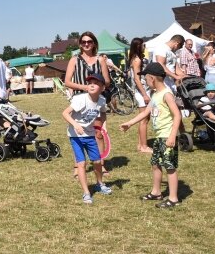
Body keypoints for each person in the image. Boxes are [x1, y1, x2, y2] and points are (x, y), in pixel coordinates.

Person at [120, 63, 183, 208]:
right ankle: (156, 192)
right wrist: (130, 123)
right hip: (159, 137)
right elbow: (145, 112)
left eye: (146, 78)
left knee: (170, 167)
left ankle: (173, 198)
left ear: (152, 78)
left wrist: (173, 136)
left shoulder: (166, 94)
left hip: (167, 136)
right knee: (156, 164)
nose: (145, 81)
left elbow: (177, 115)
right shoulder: (155, 95)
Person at [64, 32, 111, 174]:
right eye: (83, 42)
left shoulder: (101, 60)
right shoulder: (74, 59)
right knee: (78, 133)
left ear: (94, 43)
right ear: (80, 44)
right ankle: (78, 166)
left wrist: (99, 85)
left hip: (96, 101)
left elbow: (107, 81)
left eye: (89, 41)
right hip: (79, 100)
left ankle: (100, 163)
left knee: (98, 133)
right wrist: (85, 87)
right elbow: (67, 82)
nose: (86, 44)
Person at [62, 73, 112, 204]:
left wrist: (103, 126)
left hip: (90, 135)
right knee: (81, 164)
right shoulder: (80, 99)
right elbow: (65, 113)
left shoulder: (101, 100)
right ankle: (86, 193)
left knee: (97, 162)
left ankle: (100, 184)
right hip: (75, 136)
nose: (92, 85)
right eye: (90, 83)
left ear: (102, 88)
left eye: (96, 83)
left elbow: (102, 113)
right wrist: (75, 124)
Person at [127, 38, 151, 153]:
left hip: (142, 91)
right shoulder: (137, 60)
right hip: (141, 91)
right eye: (143, 45)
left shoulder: (136, 58)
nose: (144, 46)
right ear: (138, 46)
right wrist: (145, 94)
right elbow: (137, 79)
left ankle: (140, 144)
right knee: (144, 119)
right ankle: (144, 146)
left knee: (144, 118)